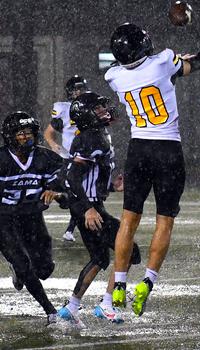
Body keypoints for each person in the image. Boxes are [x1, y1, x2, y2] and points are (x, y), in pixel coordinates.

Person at [105, 20, 200, 316]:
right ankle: (147, 281)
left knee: (128, 219)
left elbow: (150, 69)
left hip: (138, 150)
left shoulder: (114, 76)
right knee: (164, 221)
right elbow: (198, 63)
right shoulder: (163, 61)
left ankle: (118, 283)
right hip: (167, 150)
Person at [57, 92, 141, 326]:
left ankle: (71, 307)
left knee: (99, 258)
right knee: (129, 251)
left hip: (90, 205)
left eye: (103, 106)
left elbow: (90, 177)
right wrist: (87, 210)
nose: (104, 111)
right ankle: (106, 304)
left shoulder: (96, 134)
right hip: (88, 208)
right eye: (98, 108)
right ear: (86, 114)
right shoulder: (90, 138)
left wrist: (112, 187)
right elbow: (72, 177)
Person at [0, 111, 64, 325]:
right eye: (21, 133)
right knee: (23, 263)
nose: (26, 137)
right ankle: (50, 311)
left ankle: (20, 271)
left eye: (29, 133)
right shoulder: (2, 159)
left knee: (44, 269)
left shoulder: (45, 157)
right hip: (4, 219)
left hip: (31, 217)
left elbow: (66, 180)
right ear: (10, 136)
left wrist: (57, 192)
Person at [44, 75, 89, 242]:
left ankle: (71, 228)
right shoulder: (63, 108)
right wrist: (54, 145)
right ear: (70, 91)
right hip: (71, 157)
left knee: (84, 194)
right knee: (76, 195)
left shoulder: (90, 105)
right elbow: (48, 132)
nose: (80, 92)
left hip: (88, 156)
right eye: (76, 89)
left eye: (82, 88)